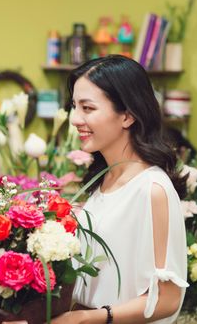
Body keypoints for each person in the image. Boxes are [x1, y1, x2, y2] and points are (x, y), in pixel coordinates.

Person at [52, 55, 189, 323]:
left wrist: (88, 318)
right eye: (74, 106)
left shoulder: (152, 189)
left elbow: (167, 299)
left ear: (127, 115)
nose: (75, 118)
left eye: (87, 108)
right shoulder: (101, 181)